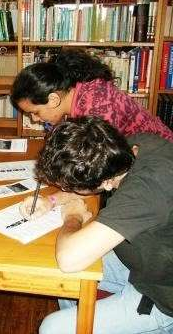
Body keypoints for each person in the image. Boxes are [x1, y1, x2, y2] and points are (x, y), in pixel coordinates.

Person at [20, 116, 173, 333]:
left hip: (161, 294)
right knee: (60, 273)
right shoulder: (131, 148)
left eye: (68, 186)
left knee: (53, 327)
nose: (65, 189)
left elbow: (69, 259)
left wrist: (73, 217)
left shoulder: (145, 192)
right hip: (145, 260)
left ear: (105, 183)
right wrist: (51, 200)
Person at [10, 49, 173, 142]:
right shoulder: (77, 95)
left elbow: (97, 160)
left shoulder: (95, 106)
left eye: (35, 112)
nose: (34, 119)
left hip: (159, 157)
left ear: (53, 99)